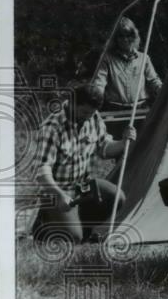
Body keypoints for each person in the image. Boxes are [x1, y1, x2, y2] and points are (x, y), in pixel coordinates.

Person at [32, 84, 137, 243]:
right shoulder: (52, 127)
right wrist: (59, 195)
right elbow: (41, 171)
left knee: (117, 197)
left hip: (81, 187)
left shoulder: (93, 118)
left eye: (92, 113)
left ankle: (84, 229)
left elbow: (105, 149)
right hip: (57, 192)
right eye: (84, 112)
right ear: (72, 103)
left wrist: (123, 142)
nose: (88, 116)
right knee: (73, 238)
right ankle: (43, 225)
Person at [91, 16, 163, 110]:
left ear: (134, 36)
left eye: (128, 35)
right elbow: (99, 83)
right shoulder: (107, 58)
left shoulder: (144, 58)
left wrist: (163, 90)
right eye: (121, 36)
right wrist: (94, 98)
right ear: (115, 38)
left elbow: (154, 81)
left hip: (141, 107)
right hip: (114, 108)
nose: (125, 39)